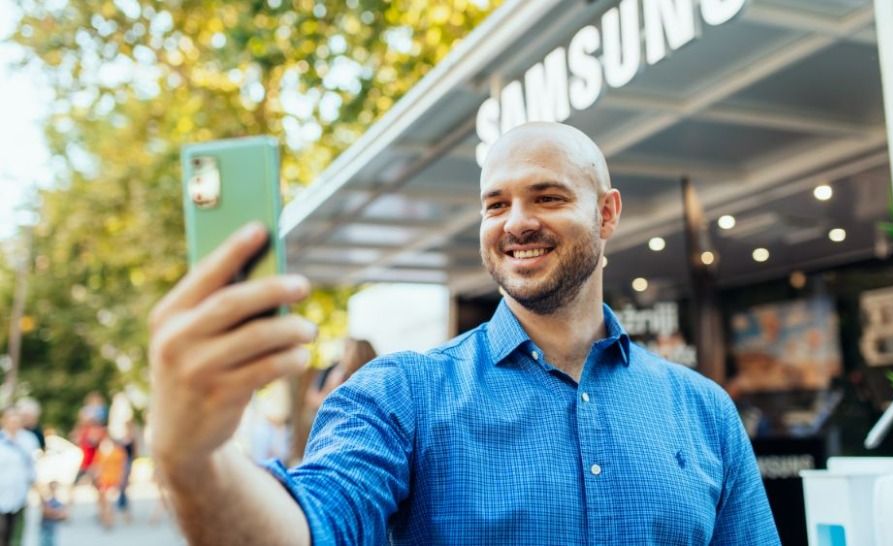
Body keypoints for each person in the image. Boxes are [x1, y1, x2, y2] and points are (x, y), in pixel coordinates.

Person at [148, 122, 780, 544]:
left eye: (548, 197)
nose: (517, 222)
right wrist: (193, 461)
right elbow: (313, 527)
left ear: (607, 213)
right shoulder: (402, 395)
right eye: (495, 204)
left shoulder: (703, 409)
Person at [292, 338, 377, 460]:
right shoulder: (338, 372)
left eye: (348, 350)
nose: (343, 355)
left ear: (358, 354)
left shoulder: (346, 376)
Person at [0, 406, 38, 546]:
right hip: (1, 491)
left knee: (17, 532)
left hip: (20, 493)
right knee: (2, 532)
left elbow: (32, 466)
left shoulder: (28, 439)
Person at [40, 482, 68, 546]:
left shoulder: (60, 499)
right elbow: (45, 512)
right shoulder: (46, 498)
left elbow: (64, 515)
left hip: (55, 528)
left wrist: (53, 513)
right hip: (46, 526)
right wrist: (56, 512)